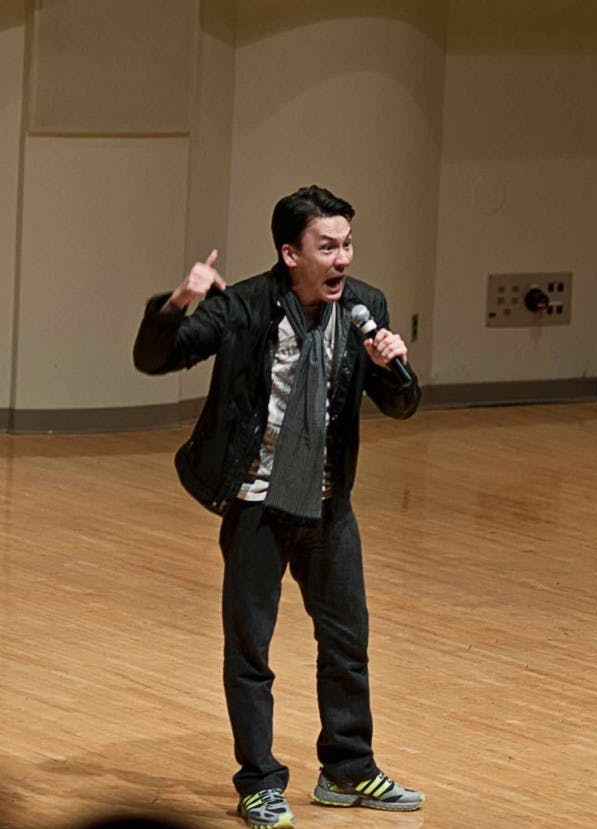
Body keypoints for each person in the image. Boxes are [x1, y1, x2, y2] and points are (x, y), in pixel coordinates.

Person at [133, 186, 424, 828]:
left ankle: (348, 769)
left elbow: (403, 406)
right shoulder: (241, 308)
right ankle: (260, 780)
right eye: (328, 247)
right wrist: (182, 300)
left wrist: (395, 367)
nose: (342, 258)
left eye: (347, 244)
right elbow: (154, 357)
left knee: (348, 641)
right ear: (292, 254)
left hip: (326, 505)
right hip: (257, 503)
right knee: (251, 650)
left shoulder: (364, 308)